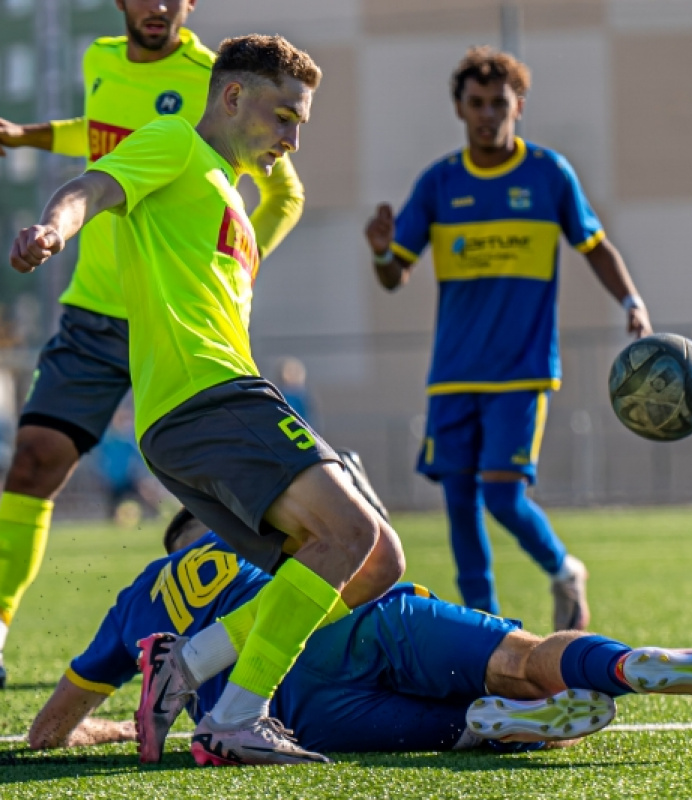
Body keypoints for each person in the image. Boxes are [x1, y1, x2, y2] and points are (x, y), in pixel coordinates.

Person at [10, 33, 405, 766]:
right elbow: (92, 186)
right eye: (285, 117)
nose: (291, 138)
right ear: (232, 97)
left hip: (205, 412)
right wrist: (52, 231)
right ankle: (234, 713)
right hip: (209, 397)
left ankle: (188, 669)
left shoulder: (228, 192)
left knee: (374, 560)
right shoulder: (173, 144)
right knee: (352, 537)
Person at [0, 0, 306, 689]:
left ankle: (235, 651)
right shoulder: (99, 59)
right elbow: (101, 139)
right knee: (33, 462)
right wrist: (27, 138)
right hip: (96, 310)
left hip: (177, 322)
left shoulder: (221, 81)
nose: (159, 6)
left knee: (243, 510)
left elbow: (284, 193)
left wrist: (229, 270)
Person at [27, 501, 692, 759]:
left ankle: (500, 725)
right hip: (358, 624)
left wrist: (114, 730)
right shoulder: (266, 532)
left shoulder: (134, 602)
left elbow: (49, 731)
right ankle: (632, 663)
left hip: (296, 712)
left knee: (468, 728)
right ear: (216, 522)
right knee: (522, 656)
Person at [364, 46, 653, 629]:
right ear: (459, 107)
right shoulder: (441, 183)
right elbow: (396, 275)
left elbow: (593, 246)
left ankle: (564, 569)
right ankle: (487, 631)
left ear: (519, 105)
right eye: (477, 103)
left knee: (500, 495)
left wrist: (631, 299)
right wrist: (379, 252)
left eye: (499, 103)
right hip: (452, 372)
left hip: (520, 370)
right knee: (458, 502)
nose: (488, 114)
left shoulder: (548, 174)